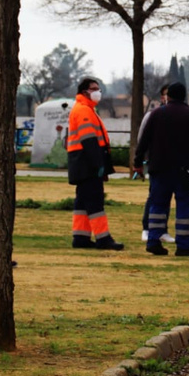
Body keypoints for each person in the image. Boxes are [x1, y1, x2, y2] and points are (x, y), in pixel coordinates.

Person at [135, 82, 189, 256]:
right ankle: (183, 246)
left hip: (159, 167)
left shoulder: (156, 114)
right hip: (184, 169)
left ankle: (153, 241)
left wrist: (137, 162)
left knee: (157, 205)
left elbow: (143, 140)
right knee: (183, 207)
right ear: (184, 96)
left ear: (168, 96)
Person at [67, 77, 124, 250]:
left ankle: (81, 237)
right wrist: (99, 165)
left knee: (83, 202)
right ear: (84, 92)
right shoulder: (84, 111)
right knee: (95, 201)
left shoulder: (85, 109)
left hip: (81, 163)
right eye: (94, 89)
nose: (98, 92)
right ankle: (103, 238)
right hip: (87, 163)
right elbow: (89, 140)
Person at [133, 84, 176, 244]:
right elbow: (142, 139)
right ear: (161, 97)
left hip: (172, 163)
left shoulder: (178, 115)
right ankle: (147, 228)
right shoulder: (153, 115)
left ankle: (162, 229)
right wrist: (141, 159)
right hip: (156, 162)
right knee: (154, 196)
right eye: (165, 94)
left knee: (166, 198)